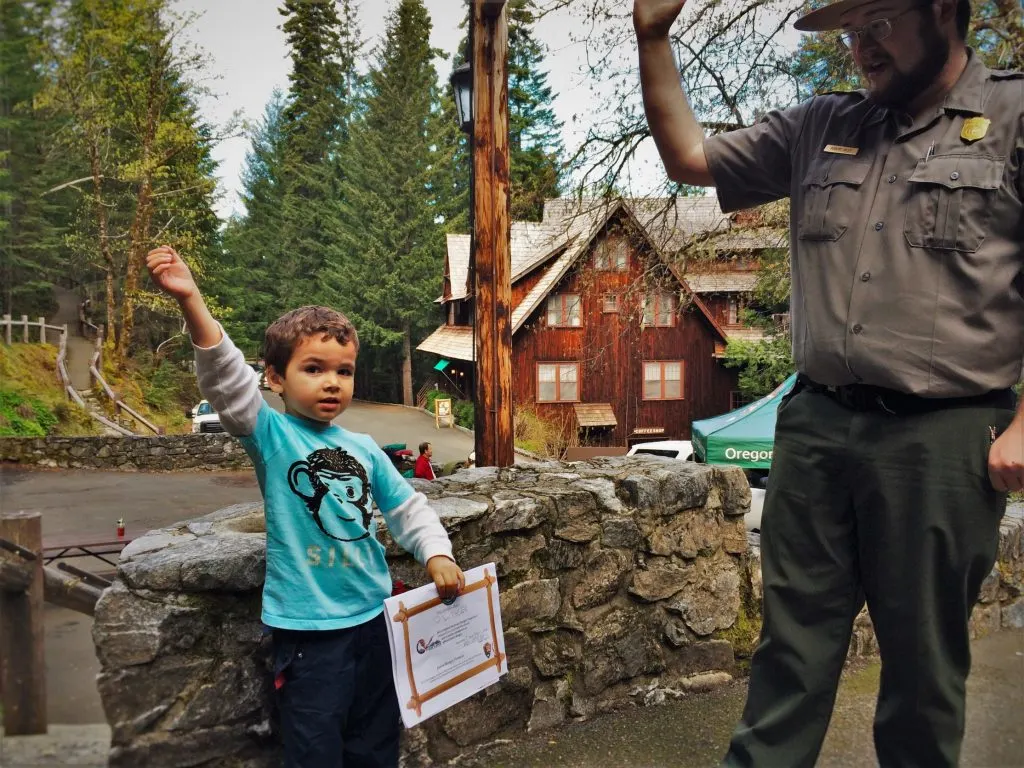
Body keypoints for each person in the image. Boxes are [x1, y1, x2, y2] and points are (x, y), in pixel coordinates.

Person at [633, 0, 1023, 765]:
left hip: (942, 438)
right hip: (815, 428)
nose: (859, 46)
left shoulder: (1012, 114)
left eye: (877, 20)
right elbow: (688, 157)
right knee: (789, 657)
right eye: (848, 29)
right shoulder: (819, 124)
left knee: (920, 677)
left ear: (944, 9)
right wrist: (653, 35)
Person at [145, 245, 465, 768]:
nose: (332, 382)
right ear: (275, 378)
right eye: (313, 368)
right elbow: (226, 383)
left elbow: (408, 507)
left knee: (375, 744)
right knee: (314, 751)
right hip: (309, 636)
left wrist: (437, 554)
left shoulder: (364, 447)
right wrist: (192, 302)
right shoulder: (271, 435)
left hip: (375, 623)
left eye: (344, 370)